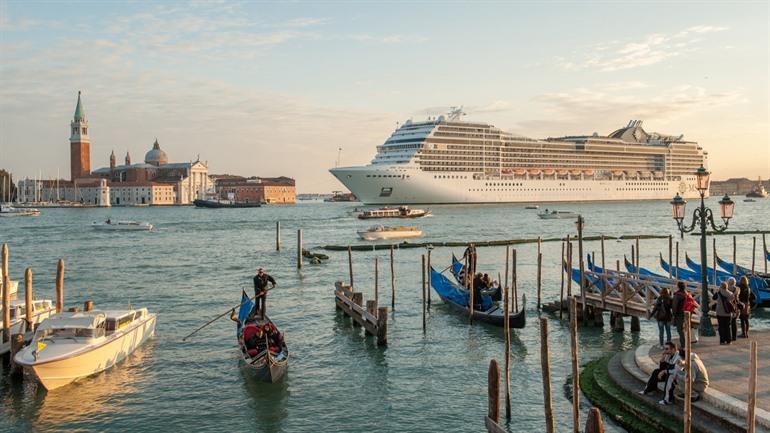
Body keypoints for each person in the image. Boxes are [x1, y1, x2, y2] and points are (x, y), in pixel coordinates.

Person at [671, 281, 688, 348]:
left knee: (680, 330)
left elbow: (674, 306)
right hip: (687, 314)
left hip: (679, 314)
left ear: (678, 287)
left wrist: (673, 315)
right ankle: (685, 343)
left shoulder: (677, 295)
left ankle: (683, 345)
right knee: (685, 329)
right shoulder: (687, 294)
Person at [726, 277, 741, 342]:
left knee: (728, 323)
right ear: (734, 282)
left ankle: (728, 337)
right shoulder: (738, 289)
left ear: (728, 282)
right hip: (735, 307)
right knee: (734, 322)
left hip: (728, 307)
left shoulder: (727, 289)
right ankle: (734, 337)